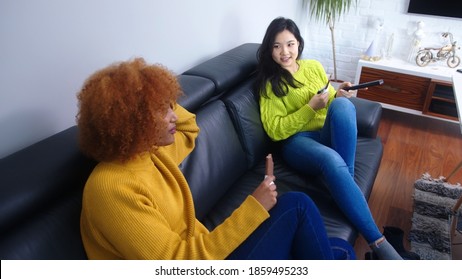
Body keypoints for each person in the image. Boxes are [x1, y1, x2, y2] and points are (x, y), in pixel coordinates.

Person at [77, 57, 356, 260]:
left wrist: (156, 96)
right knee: (298, 206)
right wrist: (254, 207)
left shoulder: (149, 152)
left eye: (168, 106)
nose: (173, 114)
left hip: (209, 251)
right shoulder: (111, 190)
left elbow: (189, 127)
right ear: (133, 124)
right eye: (162, 111)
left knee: (340, 251)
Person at [255, 17, 403, 260]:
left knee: (344, 106)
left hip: (324, 132)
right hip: (297, 142)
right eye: (277, 46)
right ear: (269, 48)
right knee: (331, 159)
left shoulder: (312, 66)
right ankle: (379, 242)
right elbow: (275, 130)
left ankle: (343, 184)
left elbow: (330, 97)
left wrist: (339, 94)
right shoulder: (269, 84)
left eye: (290, 44)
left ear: (299, 44)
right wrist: (310, 107)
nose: (285, 52)